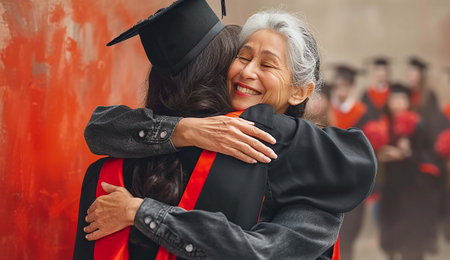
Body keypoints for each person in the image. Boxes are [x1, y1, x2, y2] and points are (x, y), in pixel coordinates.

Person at [75, 4, 376, 260]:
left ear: (300, 92)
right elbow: (100, 128)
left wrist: (143, 213)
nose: (247, 72)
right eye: (243, 58)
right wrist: (186, 130)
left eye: (267, 65)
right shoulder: (201, 140)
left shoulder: (313, 170)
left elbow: (265, 253)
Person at [377, 84, 440, 260]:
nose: (398, 103)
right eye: (394, 99)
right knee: (392, 235)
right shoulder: (383, 124)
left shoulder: (419, 123)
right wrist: (381, 154)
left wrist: (406, 154)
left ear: (408, 102)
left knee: (411, 236)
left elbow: (428, 154)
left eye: (402, 99)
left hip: (413, 187)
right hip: (391, 187)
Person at [328, 65, 367, 260]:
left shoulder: (361, 111)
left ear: (351, 87)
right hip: (332, 174)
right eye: (338, 86)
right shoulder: (328, 110)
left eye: (345, 86)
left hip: (352, 173)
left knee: (350, 229)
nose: (341, 91)